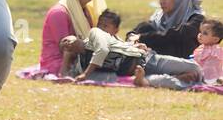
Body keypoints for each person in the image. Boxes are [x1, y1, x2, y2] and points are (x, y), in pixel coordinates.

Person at [60, 29, 201, 89]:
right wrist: (67, 57)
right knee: (162, 82)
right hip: (135, 73)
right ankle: (181, 80)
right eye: (63, 46)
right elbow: (65, 77)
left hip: (146, 58)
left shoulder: (93, 34)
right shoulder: (81, 64)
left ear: (76, 35)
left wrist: (86, 73)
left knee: (193, 68)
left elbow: (102, 49)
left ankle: (198, 78)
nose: (66, 43)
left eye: (66, 39)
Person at [40, 0, 105, 75]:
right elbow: (66, 46)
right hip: (57, 64)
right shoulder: (59, 12)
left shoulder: (88, 11)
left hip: (81, 58)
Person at [128, 0, 205, 58]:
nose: (161, 1)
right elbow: (139, 30)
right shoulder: (159, 17)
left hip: (187, 64)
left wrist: (142, 37)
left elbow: (176, 35)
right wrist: (132, 37)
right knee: (146, 28)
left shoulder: (197, 20)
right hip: (160, 62)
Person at [191, 19, 223, 84]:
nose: (200, 34)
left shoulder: (214, 51)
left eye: (205, 33)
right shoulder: (201, 48)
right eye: (200, 31)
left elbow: (209, 68)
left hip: (210, 77)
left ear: (215, 39)